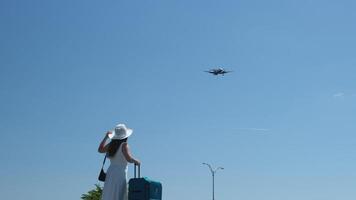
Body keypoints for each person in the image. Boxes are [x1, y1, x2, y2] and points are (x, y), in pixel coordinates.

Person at [98, 123, 140, 200]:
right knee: (119, 193)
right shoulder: (124, 145)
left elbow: (100, 150)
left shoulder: (111, 145)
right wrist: (136, 161)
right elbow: (128, 158)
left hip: (111, 172)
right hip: (120, 172)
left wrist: (106, 137)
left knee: (110, 193)